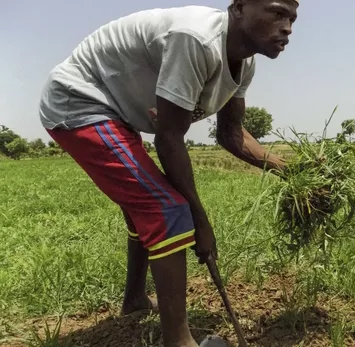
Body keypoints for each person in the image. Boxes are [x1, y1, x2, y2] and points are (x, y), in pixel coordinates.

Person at [38, 1, 299, 346]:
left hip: (115, 112)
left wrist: (294, 171)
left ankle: (134, 302)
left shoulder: (245, 63)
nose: (287, 27)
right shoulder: (196, 39)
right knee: (167, 209)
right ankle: (178, 341)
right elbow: (169, 138)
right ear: (238, 8)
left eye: (292, 18)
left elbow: (231, 134)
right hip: (80, 100)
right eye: (277, 12)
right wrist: (200, 223)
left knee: (145, 209)